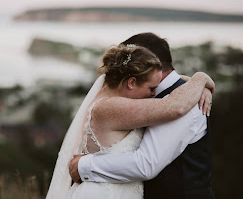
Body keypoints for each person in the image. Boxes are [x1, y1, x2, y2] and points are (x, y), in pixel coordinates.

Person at [46, 40, 215, 198]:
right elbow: (174, 106)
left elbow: (172, 90)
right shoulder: (112, 108)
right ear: (132, 82)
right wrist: (200, 79)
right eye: (151, 88)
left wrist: (195, 82)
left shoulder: (115, 99)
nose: (154, 94)